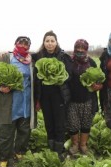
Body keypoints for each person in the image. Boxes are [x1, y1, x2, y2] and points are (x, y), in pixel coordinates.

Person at [0, 36, 34, 167]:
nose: (23, 45)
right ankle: (3, 160)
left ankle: (19, 152)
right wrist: (0, 87)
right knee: (5, 132)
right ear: (15, 44)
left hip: (26, 102)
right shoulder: (6, 58)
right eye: (20, 43)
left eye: (26, 43)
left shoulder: (31, 60)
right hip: (9, 102)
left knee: (24, 130)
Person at [32, 30, 72, 159]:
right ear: (44, 43)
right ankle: (51, 147)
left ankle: (59, 151)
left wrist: (58, 79)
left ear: (56, 42)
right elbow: (22, 56)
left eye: (52, 41)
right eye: (47, 41)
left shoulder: (63, 56)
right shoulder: (38, 56)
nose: (50, 44)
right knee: (48, 123)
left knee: (59, 123)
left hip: (59, 95)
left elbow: (69, 75)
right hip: (44, 96)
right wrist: (7, 54)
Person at [67, 39, 102, 155]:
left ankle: (83, 145)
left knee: (86, 123)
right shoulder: (69, 62)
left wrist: (97, 86)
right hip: (72, 99)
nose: (80, 51)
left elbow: (99, 80)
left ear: (86, 49)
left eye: (83, 49)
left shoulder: (92, 63)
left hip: (88, 98)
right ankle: (75, 144)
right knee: (73, 124)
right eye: (78, 48)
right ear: (74, 48)